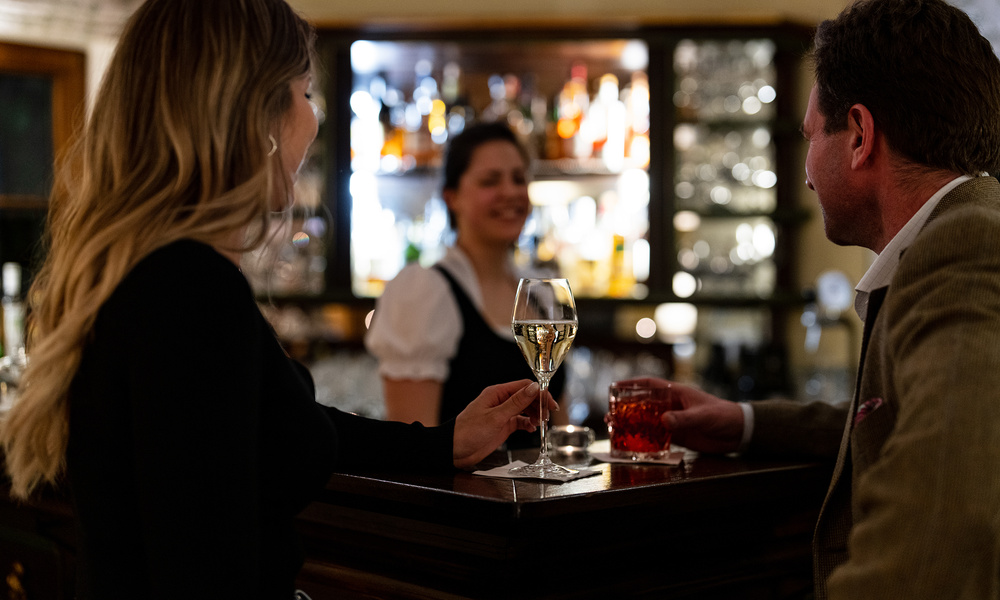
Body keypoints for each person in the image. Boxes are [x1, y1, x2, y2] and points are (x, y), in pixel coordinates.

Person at [0, 1, 555, 598]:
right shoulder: (190, 292)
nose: (314, 119)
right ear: (254, 113)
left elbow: (280, 425)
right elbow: (203, 568)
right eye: (306, 92)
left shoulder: (154, 275)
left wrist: (443, 442)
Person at [624, 1, 1000, 598]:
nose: (804, 173)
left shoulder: (964, 242)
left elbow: (955, 495)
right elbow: (904, 419)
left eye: (807, 138)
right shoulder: (958, 231)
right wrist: (744, 422)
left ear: (858, 134)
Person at [365, 122, 567, 438]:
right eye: (490, 181)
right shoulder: (424, 291)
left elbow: (557, 427)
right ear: (452, 197)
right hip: (458, 488)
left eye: (518, 178)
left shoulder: (541, 292)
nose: (511, 192)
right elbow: (413, 445)